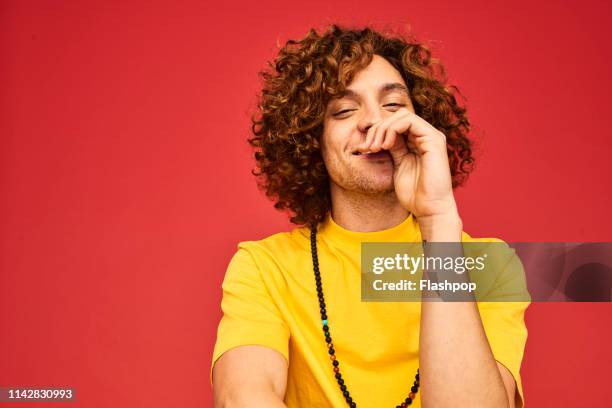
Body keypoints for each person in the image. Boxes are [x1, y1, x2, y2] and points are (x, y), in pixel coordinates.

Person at [211, 24, 529, 408]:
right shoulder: (263, 267)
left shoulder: (491, 266)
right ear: (313, 139)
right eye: (345, 110)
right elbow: (244, 400)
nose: (374, 122)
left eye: (394, 106)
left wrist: (439, 220)